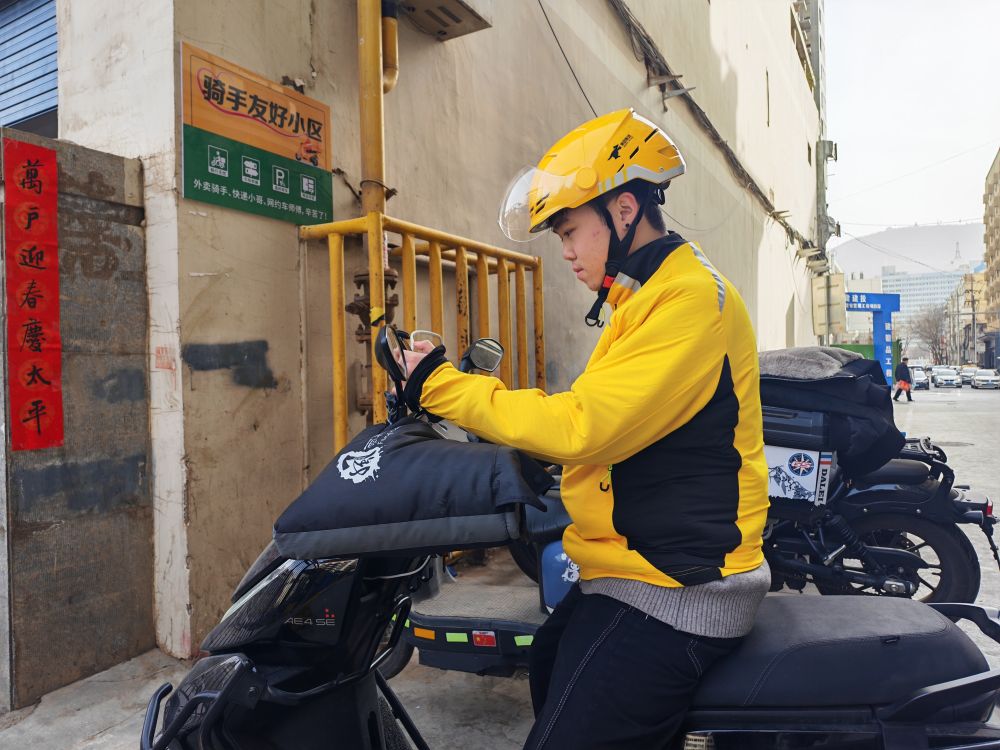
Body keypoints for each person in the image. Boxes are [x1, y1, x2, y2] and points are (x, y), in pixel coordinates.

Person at [401, 109, 770, 749]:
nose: (566, 252)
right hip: (634, 570)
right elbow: (603, 420)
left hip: (677, 589)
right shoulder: (641, 299)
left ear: (624, 210)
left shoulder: (684, 300)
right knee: (548, 664)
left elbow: (584, 426)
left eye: (570, 231)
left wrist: (441, 386)